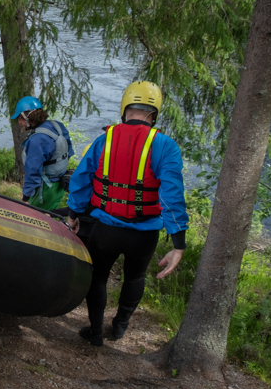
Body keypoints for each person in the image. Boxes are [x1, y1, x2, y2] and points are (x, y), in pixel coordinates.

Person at [67, 81, 189, 346]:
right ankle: (120, 328)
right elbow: (172, 196)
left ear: (125, 109)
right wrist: (178, 242)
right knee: (135, 277)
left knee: (98, 277)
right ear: (154, 114)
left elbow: (81, 181)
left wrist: (73, 215)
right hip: (144, 234)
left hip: (106, 229)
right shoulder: (166, 146)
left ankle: (96, 332)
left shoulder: (103, 140)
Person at [10, 96, 75, 211]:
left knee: (31, 220)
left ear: (28, 117)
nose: (19, 122)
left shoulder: (38, 140)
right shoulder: (57, 126)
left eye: (20, 118)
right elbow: (68, 152)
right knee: (49, 218)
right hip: (59, 187)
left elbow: (33, 171)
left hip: (44, 190)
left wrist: (26, 197)